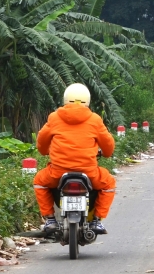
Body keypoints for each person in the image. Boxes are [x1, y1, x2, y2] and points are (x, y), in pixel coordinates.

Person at [33, 83, 116, 236]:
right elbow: (108, 145)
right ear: (87, 101)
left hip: (58, 173)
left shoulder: (54, 118)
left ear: (65, 99)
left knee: (39, 181)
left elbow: (41, 142)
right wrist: (106, 153)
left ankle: (50, 220)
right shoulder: (95, 119)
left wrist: (45, 151)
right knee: (109, 183)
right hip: (89, 173)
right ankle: (96, 220)